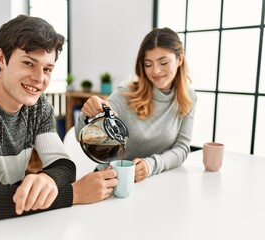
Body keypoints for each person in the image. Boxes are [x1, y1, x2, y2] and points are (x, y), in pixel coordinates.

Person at [0, 15, 117, 227]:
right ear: (1, 58)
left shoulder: (37, 106)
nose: (39, 78)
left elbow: (64, 165)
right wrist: (74, 193)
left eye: (47, 69)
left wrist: (48, 179)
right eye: (28, 63)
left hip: (8, 224)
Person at [75, 27, 197, 182]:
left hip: (153, 180)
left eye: (163, 62)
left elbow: (182, 148)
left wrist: (150, 165)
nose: (156, 71)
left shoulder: (188, 97)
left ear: (179, 59)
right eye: (148, 64)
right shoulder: (126, 93)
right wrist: (88, 114)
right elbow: (82, 134)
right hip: (111, 179)